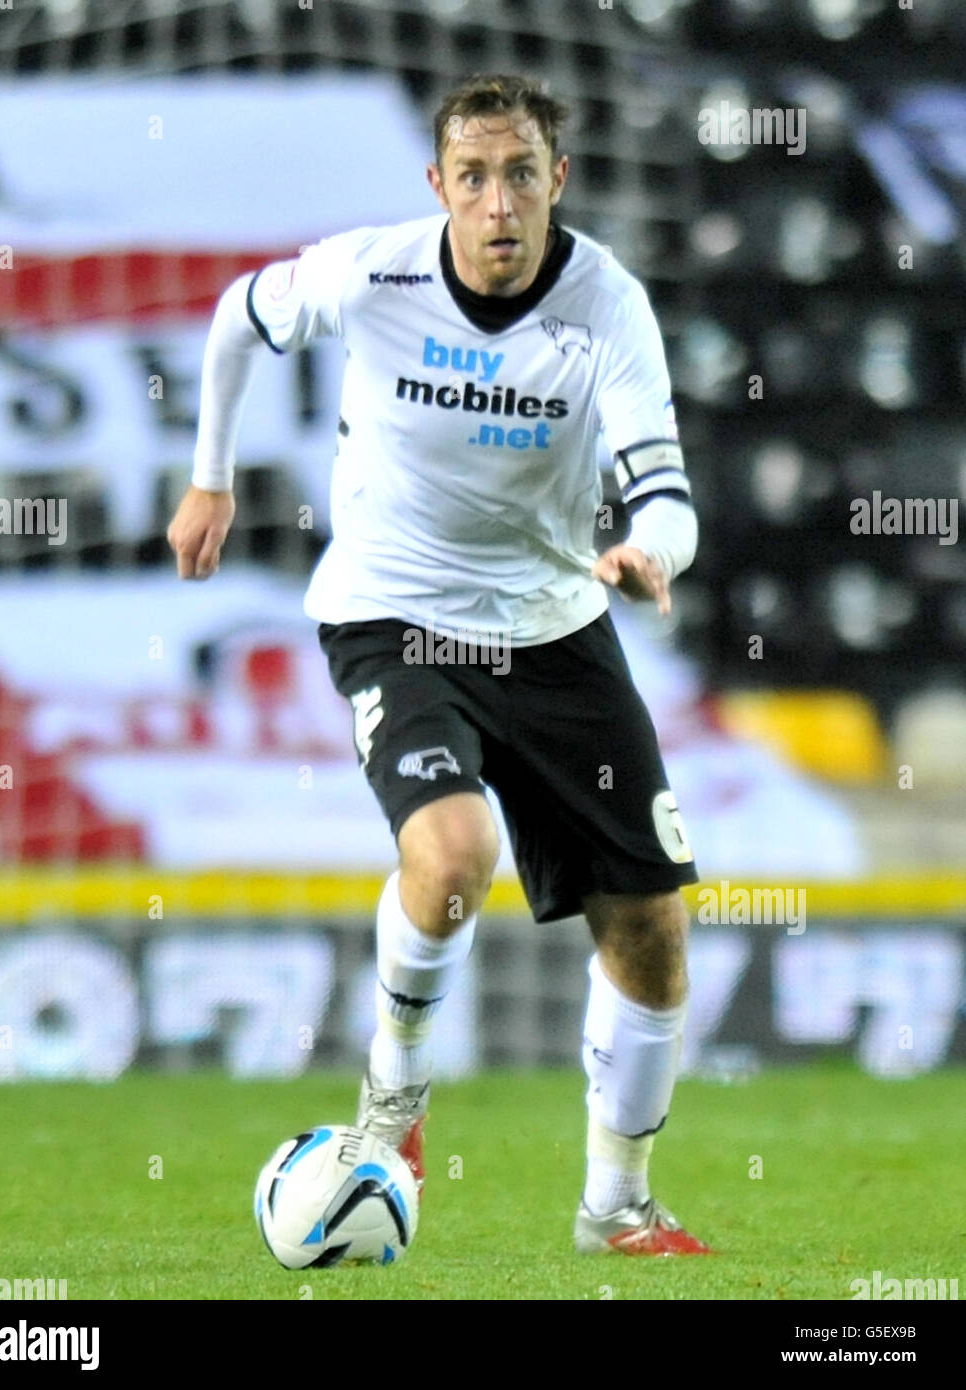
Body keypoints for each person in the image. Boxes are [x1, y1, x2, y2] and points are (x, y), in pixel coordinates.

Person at [168, 72, 709, 1256]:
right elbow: (235, 315)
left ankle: (615, 1204)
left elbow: (666, 489)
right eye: (474, 175)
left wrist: (647, 550)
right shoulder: (376, 272)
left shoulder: (605, 304)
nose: (499, 201)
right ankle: (392, 1108)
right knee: (452, 853)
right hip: (394, 616)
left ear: (557, 181)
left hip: (559, 624)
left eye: (522, 173)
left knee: (653, 929)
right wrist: (210, 475)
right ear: (439, 185)